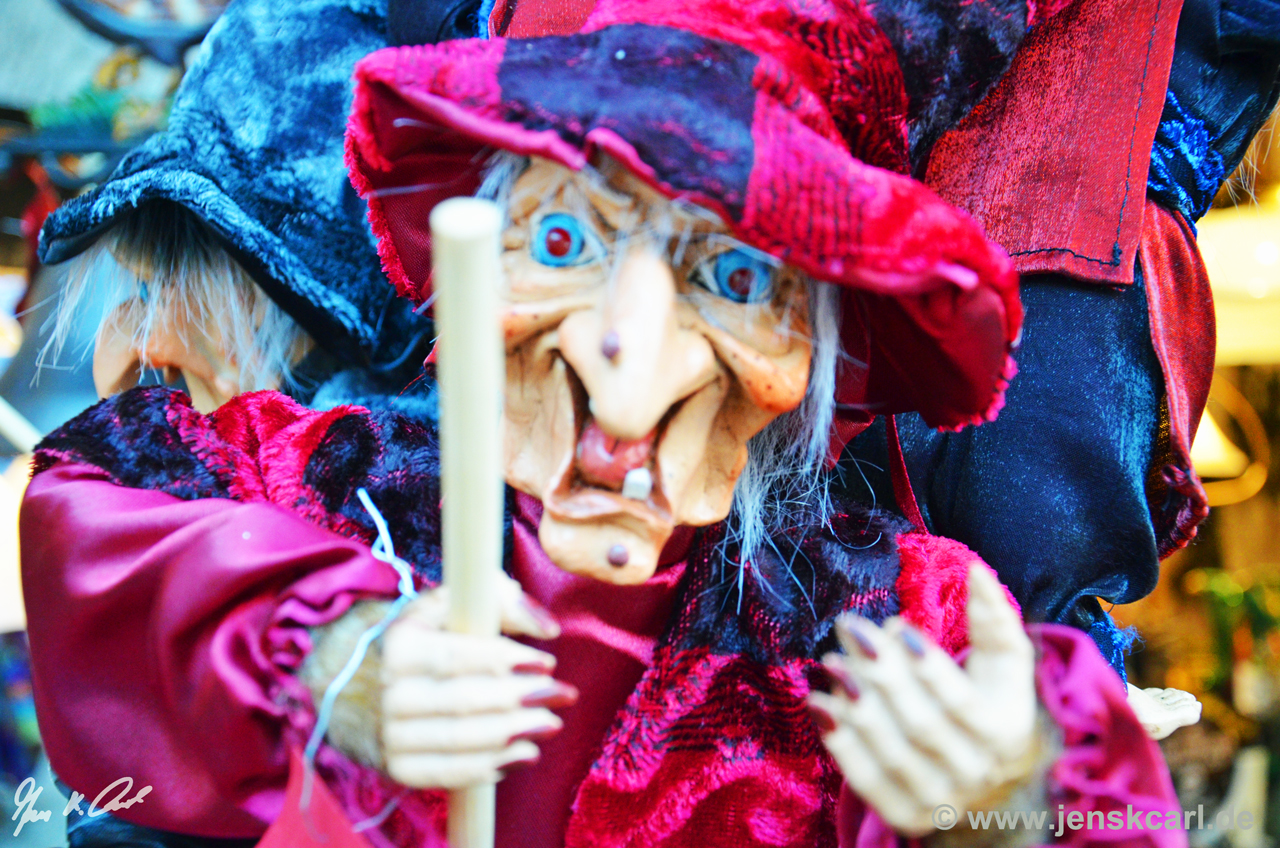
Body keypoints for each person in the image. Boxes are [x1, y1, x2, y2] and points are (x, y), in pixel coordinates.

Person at [20, 1, 1190, 846]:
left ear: (813, 346)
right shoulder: (329, 495)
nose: (625, 371)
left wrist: (1001, 799)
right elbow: (100, 523)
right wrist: (324, 660)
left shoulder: (881, 628)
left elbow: (1103, 813)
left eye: (733, 277)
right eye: (563, 239)